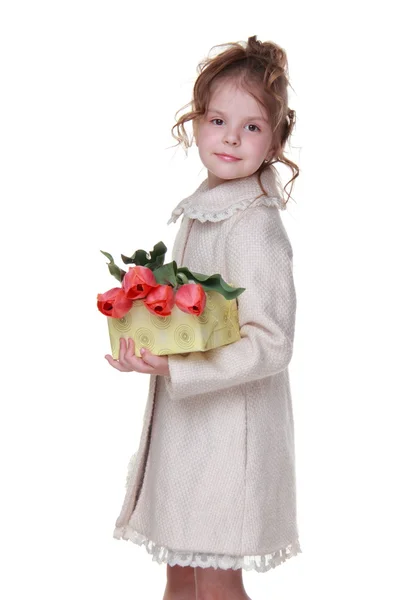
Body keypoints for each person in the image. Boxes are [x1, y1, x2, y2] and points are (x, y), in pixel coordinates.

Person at [105, 34, 301, 600]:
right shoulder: (207, 209)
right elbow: (200, 316)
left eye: (252, 127)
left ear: (276, 138)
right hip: (191, 436)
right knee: (183, 577)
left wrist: (178, 369)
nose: (231, 139)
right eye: (218, 120)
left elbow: (272, 342)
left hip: (227, 440)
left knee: (216, 583)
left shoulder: (254, 225)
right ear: (195, 123)